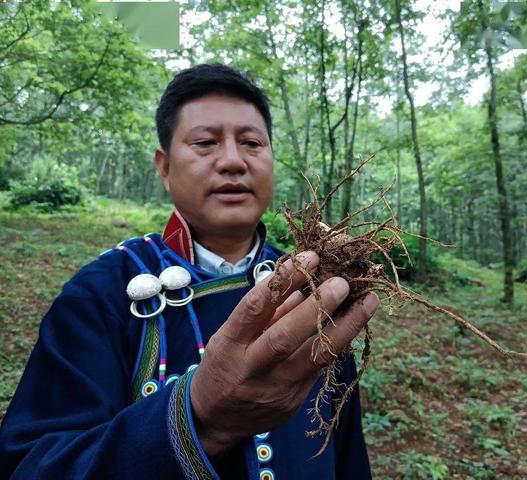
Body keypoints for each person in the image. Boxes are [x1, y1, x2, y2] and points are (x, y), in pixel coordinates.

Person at [0, 63, 377, 479]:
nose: (233, 161)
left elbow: (347, 456)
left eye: (252, 142)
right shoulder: (100, 294)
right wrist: (201, 419)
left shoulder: (316, 288)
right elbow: (27, 465)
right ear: (164, 166)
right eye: (205, 142)